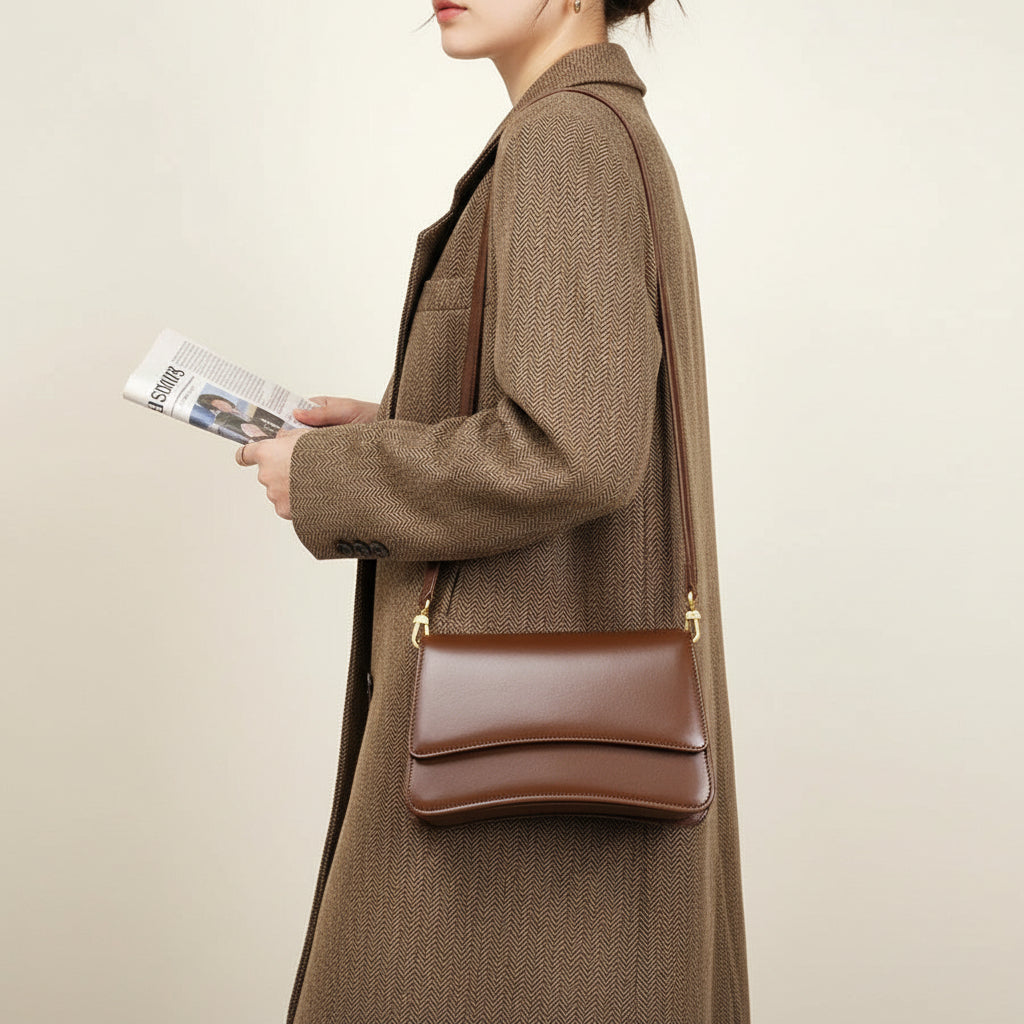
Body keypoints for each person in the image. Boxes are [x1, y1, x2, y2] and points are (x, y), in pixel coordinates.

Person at [235, 3, 750, 1021]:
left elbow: (577, 451)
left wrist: (333, 481)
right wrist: (396, 421)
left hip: (510, 793)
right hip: (535, 766)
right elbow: (582, 414)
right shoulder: (583, 127)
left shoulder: (566, 137)